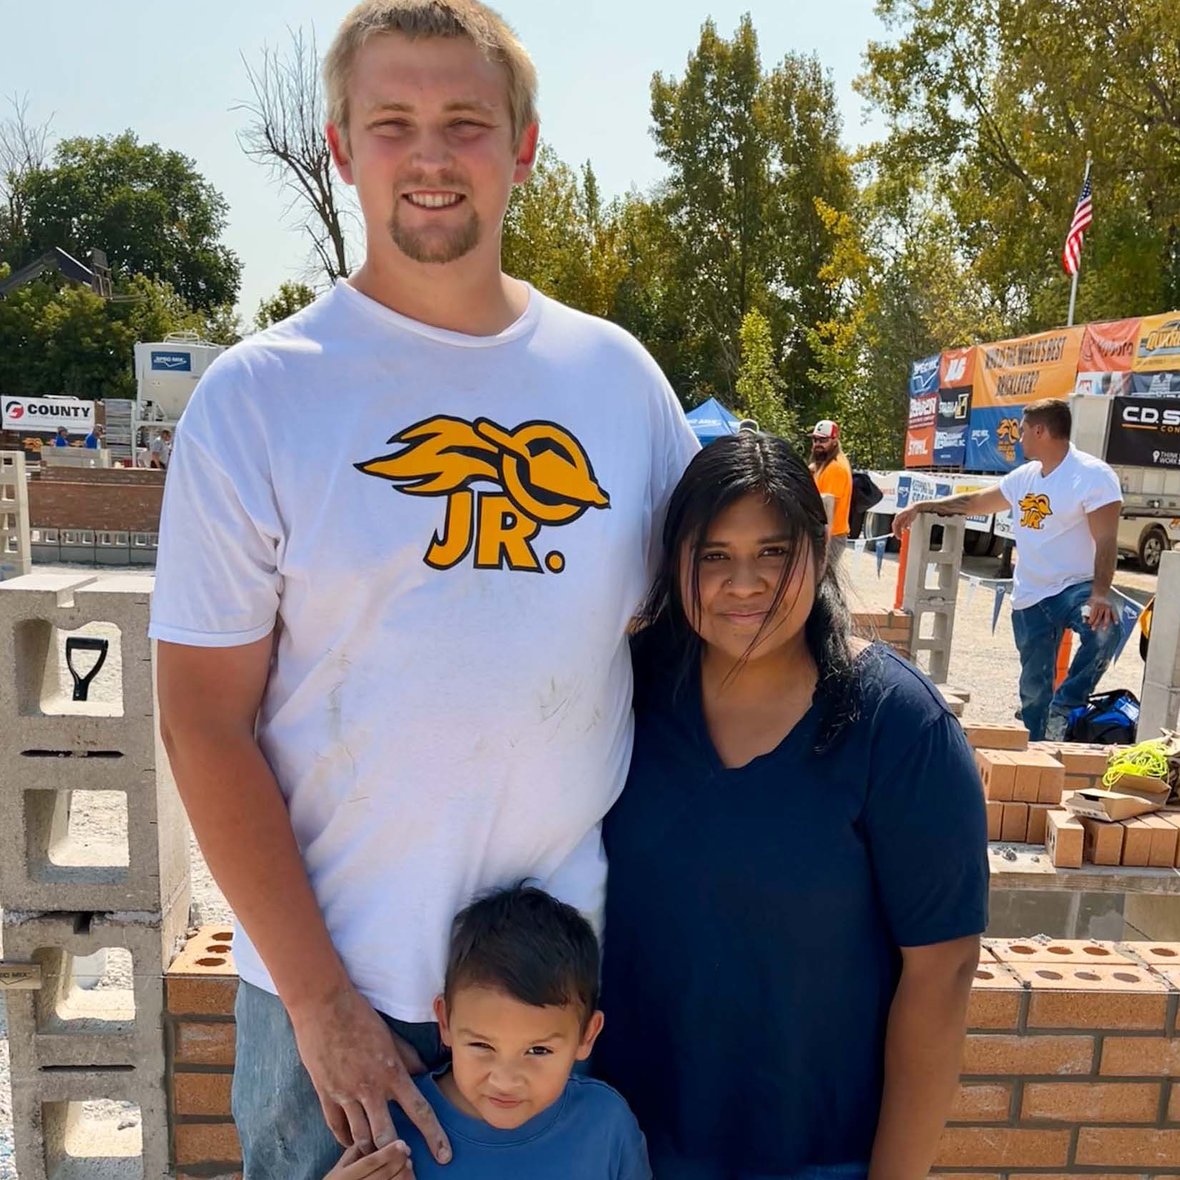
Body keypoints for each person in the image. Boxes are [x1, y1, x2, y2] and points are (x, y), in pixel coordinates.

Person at [149, 3, 698, 1178]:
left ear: (525, 146)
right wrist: (319, 1000)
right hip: (329, 1001)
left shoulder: (617, 385)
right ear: (341, 147)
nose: (432, 155)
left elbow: (712, 631)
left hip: (542, 1012)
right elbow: (202, 720)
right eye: (392, 123)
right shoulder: (258, 400)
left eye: (466, 121)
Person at [596, 431, 988, 1180]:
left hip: (818, 1157)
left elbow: (942, 973)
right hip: (629, 1152)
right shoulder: (627, 691)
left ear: (821, 549)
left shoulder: (897, 728)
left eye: (774, 553)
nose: (744, 583)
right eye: (714, 554)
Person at [325, 885, 649, 1180]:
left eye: (538, 1051)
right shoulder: (393, 1133)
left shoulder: (606, 1127)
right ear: (446, 1022)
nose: (505, 1081)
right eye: (481, 1045)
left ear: (586, 1036)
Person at [893, 398, 1122, 741]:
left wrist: (1101, 593)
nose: (1019, 439)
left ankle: (1066, 706)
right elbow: (975, 502)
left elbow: (1106, 539)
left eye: (1024, 430)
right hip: (1031, 595)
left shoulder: (1092, 476)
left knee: (1105, 631)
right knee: (1033, 688)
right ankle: (1037, 749)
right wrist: (923, 505)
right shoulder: (1025, 477)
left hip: (1075, 588)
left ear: (1041, 431)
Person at [808, 419, 852, 559]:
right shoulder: (824, 465)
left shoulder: (835, 468)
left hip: (831, 536)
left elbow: (827, 509)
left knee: (823, 579)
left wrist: (823, 540)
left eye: (823, 440)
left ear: (834, 441)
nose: (818, 444)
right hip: (827, 534)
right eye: (815, 440)